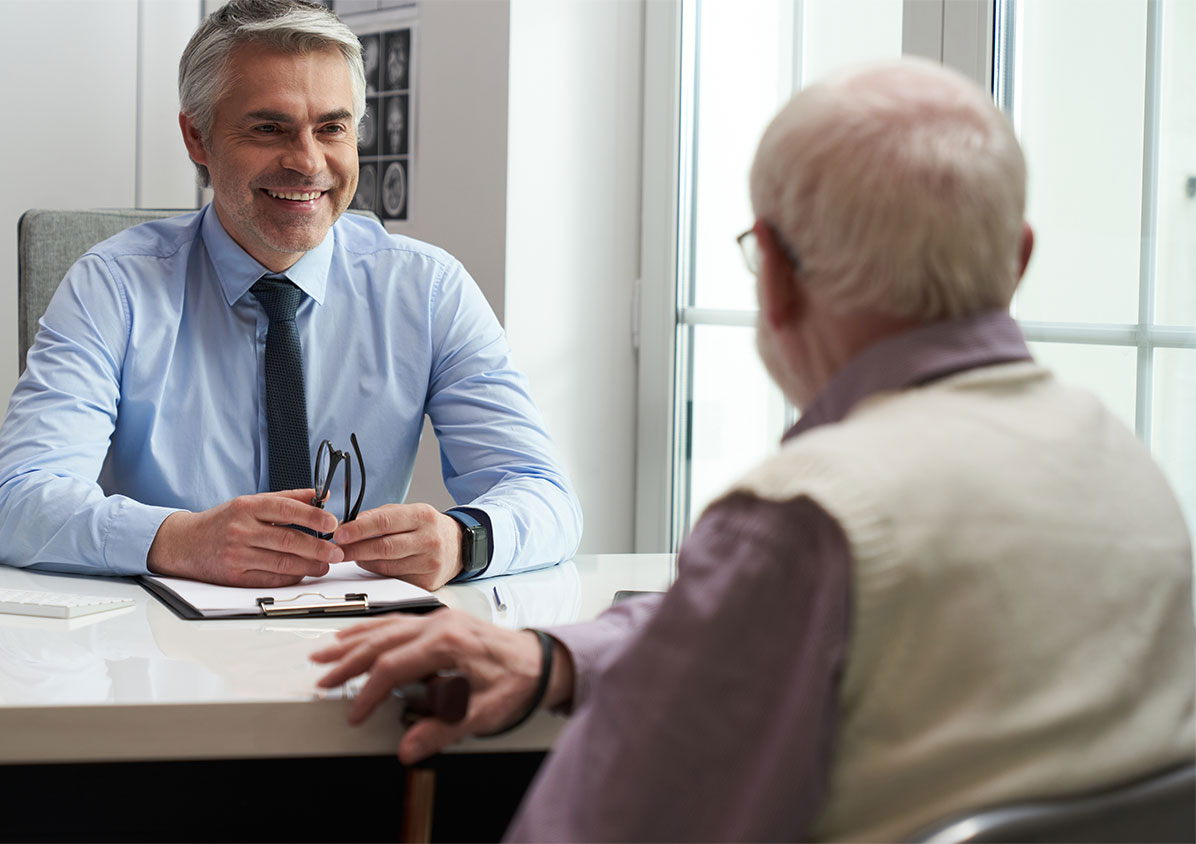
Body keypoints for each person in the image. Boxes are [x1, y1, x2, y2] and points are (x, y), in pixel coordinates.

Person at [312, 57, 1195, 841]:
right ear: (1019, 261)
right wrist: (559, 656)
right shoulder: (1122, 460)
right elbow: (772, 630)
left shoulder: (806, 517)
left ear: (770, 270)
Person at [0, 0, 581, 592]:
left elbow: (546, 497)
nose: (307, 161)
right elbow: (16, 502)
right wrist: (181, 539)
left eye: (332, 128)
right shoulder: (113, 286)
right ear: (197, 136)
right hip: (159, 649)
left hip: (361, 641)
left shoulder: (427, 290)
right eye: (269, 128)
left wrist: (462, 539)